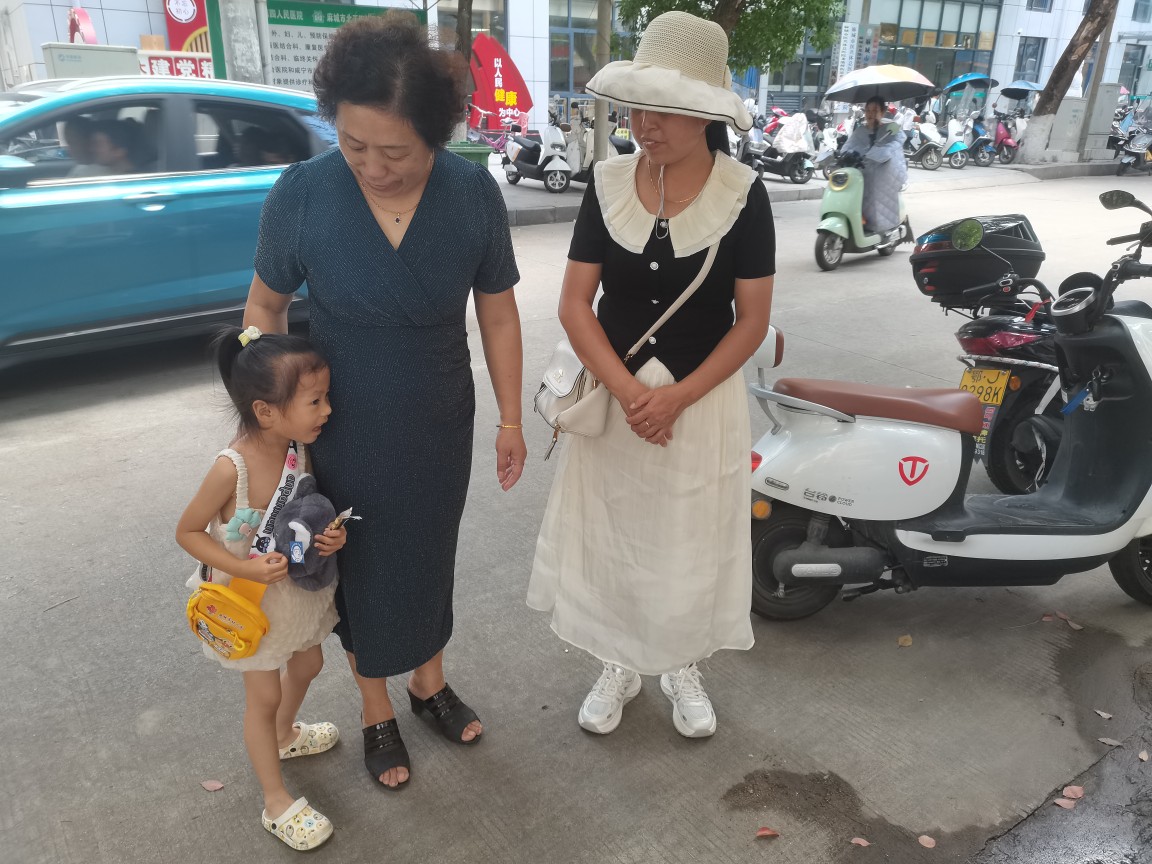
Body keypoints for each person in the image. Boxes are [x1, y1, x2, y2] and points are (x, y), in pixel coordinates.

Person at [243, 12, 524, 790]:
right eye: (353, 144)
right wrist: (270, 419)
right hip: (338, 420)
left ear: (434, 133)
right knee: (357, 562)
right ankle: (376, 706)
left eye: (394, 151)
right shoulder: (304, 192)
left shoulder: (471, 193)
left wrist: (510, 419)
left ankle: (429, 682)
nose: (372, 165)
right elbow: (264, 307)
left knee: (429, 552)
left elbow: (499, 315)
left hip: (438, 414)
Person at [527, 11, 775, 739]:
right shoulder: (606, 183)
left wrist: (676, 398)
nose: (646, 123)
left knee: (689, 538)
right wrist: (635, 393)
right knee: (615, 532)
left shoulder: (744, 193)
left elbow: (751, 322)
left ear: (707, 114)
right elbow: (575, 304)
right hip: (618, 397)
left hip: (702, 403)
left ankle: (681, 664)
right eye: (638, 105)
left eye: (665, 108)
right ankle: (618, 660)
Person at [175, 326, 346, 851]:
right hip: (250, 603)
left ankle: (284, 735)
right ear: (266, 411)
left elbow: (303, 514)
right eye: (315, 401)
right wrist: (242, 567)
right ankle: (275, 801)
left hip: (295, 596)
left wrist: (329, 536)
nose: (328, 410)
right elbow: (188, 531)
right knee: (263, 694)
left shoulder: (299, 447)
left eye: (326, 398)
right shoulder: (231, 468)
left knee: (310, 663)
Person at [842, 96, 908, 235]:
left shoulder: (890, 129)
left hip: (883, 173)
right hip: (861, 172)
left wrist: (881, 151)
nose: (870, 114)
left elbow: (897, 143)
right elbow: (848, 147)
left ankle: (882, 230)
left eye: (875, 110)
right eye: (868, 110)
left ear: (882, 112)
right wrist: (844, 154)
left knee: (877, 199)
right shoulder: (860, 131)